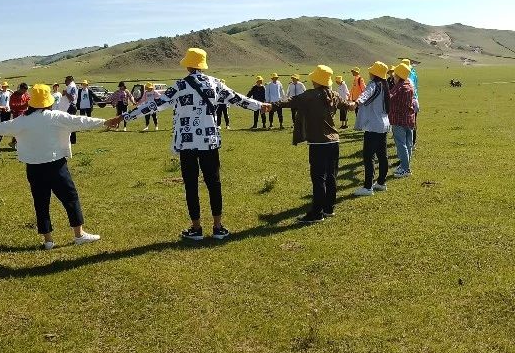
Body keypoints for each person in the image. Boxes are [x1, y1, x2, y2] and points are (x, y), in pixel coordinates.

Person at [106, 48, 268, 241]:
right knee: (214, 183)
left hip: (187, 142)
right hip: (209, 141)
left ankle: (196, 228)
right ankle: (218, 227)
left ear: (189, 65)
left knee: (191, 184)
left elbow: (154, 105)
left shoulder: (181, 85)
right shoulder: (215, 84)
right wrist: (260, 106)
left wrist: (125, 117)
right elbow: (238, 99)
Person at [0, 84, 105, 249]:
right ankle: (79, 234)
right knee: (70, 198)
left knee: (41, 202)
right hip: (56, 166)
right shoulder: (55, 116)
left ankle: (48, 241)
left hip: (33, 168)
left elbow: (2, 127)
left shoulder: (23, 120)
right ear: (48, 102)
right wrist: (106, 122)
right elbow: (82, 121)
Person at [268, 65, 356, 222]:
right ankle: (329, 209)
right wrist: (354, 104)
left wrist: (273, 105)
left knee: (318, 178)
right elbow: (348, 105)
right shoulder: (334, 94)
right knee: (331, 176)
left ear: (316, 80)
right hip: (334, 142)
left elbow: (290, 101)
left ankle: (316, 213)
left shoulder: (310, 95)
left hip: (318, 143)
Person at [351, 62, 391, 197]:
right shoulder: (385, 86)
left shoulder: (373, 85)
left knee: (369, 157)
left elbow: (365, 94)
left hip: (373, 126)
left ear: (374, 73)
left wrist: (356, 103)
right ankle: (381, 182)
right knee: (382, 155)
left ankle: (368, 187)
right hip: (384, 124)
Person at [389, 62, 418, 178]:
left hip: (399, 119)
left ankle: (405, 169)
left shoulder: (399, 87)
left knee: (401, 145)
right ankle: (404, 165)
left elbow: (389, 98)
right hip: (409, 119)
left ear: (398, 75)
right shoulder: (410, 84)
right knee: (408, 144)